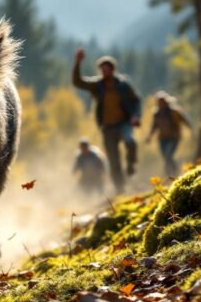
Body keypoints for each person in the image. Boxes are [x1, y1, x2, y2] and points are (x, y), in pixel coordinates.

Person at [72, 48, 141, 193]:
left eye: (107, 68)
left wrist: (136, 116)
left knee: (130, 141)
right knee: (114, 161)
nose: (105, 71)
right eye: (102, 69)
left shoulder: (123, 84)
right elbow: (78, 82)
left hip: (124, 123)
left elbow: (136, 100)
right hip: (108, 128)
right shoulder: (97, 86)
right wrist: (78, 63)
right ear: (100, 71)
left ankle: (130, 165)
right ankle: (120, 189)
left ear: (112, 69)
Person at [147, 91, 190, 177]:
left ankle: (174, 172)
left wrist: (189, 126)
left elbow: (183, 119)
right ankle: (169, 173)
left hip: (174, 137)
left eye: (162, 101)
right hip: (162, 138)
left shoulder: (174, 111)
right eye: (159, 101)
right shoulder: (157, 114)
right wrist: (149, 136)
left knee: (168, 155)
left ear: (166, 101)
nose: (161, 103)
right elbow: (154, 126)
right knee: (166, 157)